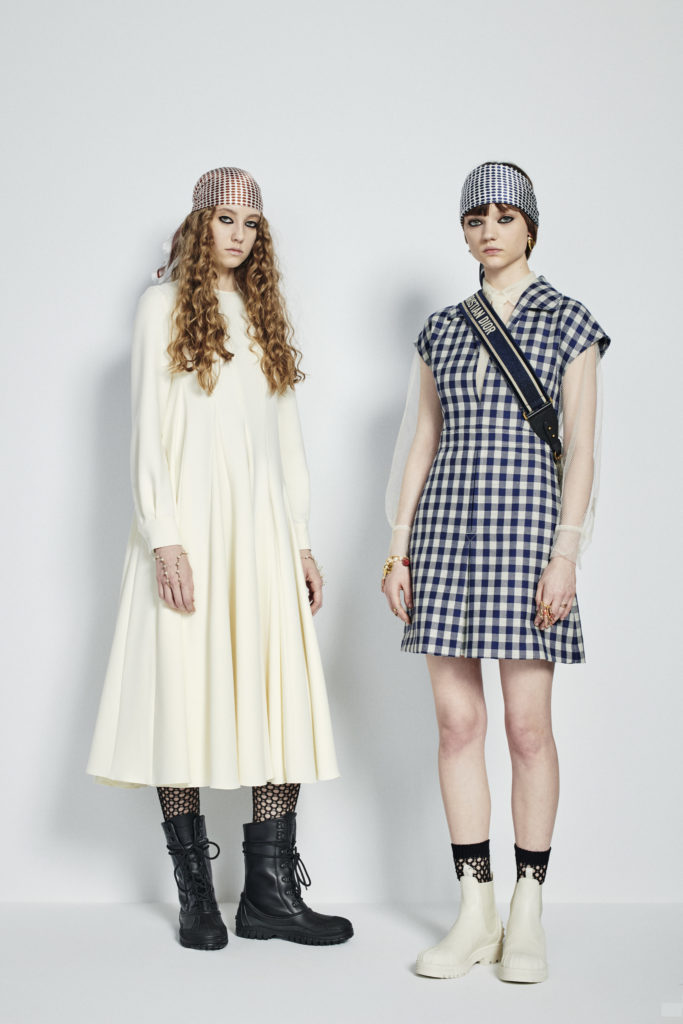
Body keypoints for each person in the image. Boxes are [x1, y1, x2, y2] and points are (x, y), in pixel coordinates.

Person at [87, 166, 353, 951]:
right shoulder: (161, 305)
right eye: (224, 218)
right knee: (181, 691)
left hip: (261, 529)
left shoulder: (264, 312)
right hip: (191, 529)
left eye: (250, 223)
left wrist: (299, 538)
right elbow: (146, 427)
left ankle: (270, 895)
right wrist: (163, 534)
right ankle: (196, 894)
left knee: (277, 694)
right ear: (198, 223)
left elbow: (284, 437)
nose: (237, 234)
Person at [383, 161, 609, 983]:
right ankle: (474, 909)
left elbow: (581, 447)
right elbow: (422, 439)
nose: (488, 230)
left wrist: (566, 551)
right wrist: (398, 544)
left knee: (526, 729)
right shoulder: (442, 329)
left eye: (504, 216)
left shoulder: (568, 320)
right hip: (446, 533)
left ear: (529, 227)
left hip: (527, 538)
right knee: (456, 727)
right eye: (474, 217)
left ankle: (527, 908)